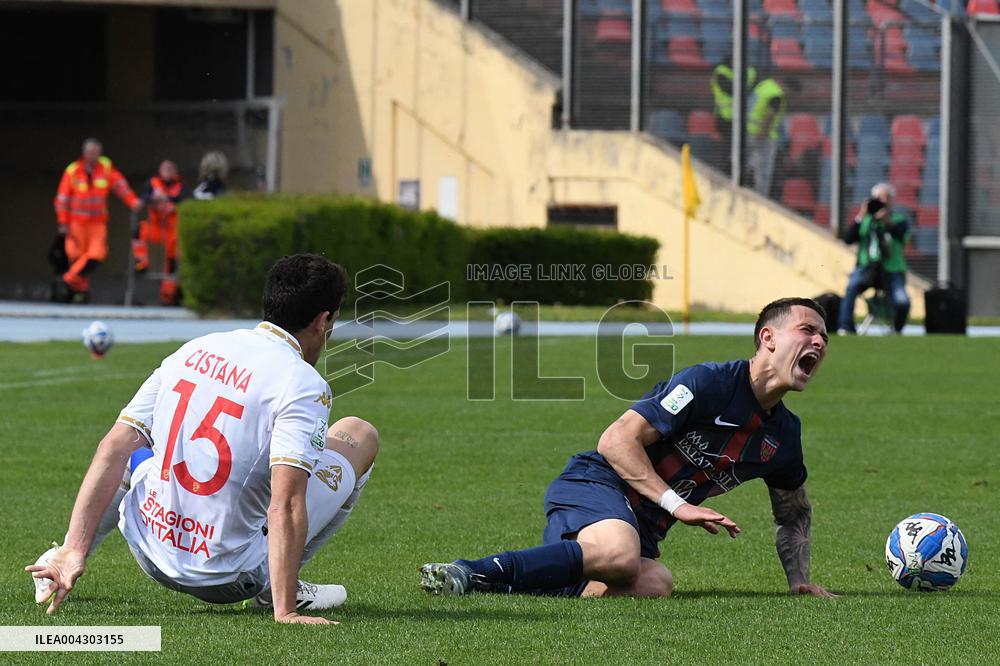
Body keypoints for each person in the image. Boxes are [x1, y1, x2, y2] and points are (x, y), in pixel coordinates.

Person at [27, 254, 378, 626]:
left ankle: (63, 554)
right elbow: (286, 504)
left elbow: (113, 447)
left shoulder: (196, 347)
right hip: (231, 578)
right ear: (323, 320)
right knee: (358, 433)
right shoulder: (303, 384)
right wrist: (285, 612)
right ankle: (279, 591)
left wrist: (74, 549)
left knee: (135, 452)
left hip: (149, 549)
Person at [421, 298, 833, 599]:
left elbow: (793, 512)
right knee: (620, 556)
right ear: (768, 338)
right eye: (807, 330)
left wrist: (798, 579)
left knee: (655, 583)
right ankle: (470, 570)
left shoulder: (784, 437)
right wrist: (678, 505)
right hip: (597, 484)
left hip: (642, 527)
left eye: (824, 337)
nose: (819, 341)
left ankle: (518, 584)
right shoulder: (709, 383)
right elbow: (616, 440)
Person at [53, 138, 143, 302]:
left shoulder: (106, 168)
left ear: (100, 153)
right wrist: (63, 222)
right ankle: (79, 292)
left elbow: (120, 186)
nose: (93, 155)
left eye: (96, 152)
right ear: (84, 153)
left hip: (97, 222)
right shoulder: (73, 171)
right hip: (76, 222)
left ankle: (68, 279)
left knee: (97, 253)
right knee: (76, 256)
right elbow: (62, 199)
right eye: (90, 152)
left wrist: (133, 201)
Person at [837, 182, 912, 335]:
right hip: (867, 267)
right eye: (879, 197)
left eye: (887, 197)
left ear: (892, 200)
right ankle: (846, 327)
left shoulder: (898, 219)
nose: (883, 201)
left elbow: (902, 237)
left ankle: (897, 330)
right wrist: (861, 216)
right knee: (851, 289)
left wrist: (887, 222)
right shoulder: (865, 220)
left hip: (892, 269)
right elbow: (848, 239)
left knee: (902, 301)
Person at [132, 160, 188, 305]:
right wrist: (153, 199)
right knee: (139, 231)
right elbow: (145, 197)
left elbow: (184, 201)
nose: (167, 171)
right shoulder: (153, 183)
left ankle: (168, 294)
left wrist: (170, 204)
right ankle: (141, 263)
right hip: (156, 226)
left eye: (170, 169)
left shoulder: (180, 187)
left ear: (175, 172)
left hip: (171, 229)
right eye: (164, 168)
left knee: (173, 257)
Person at [710, 62, 757, 172]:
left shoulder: (750, 71)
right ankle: (727, 174)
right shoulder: (721, 72)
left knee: (743, 150)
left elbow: (755, 90)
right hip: (725, 119)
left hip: (745, 119)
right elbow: (732, 90)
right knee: (727, 150)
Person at [746, 76, 787, 197]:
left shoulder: (765, 85)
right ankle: (760, 198)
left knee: (747, 163)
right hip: (763, 136)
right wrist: (763, 131)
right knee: (763, 172)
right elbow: (770, 114)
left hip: (748, 130)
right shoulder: (776, 95)